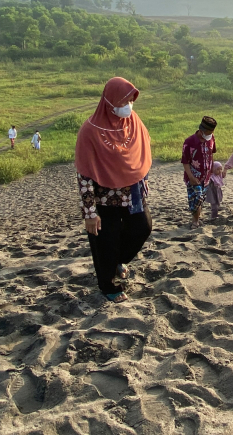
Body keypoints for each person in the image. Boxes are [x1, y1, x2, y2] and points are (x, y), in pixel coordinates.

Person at [74, 77, 153, 303]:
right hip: (105, 198)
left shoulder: (133, 121)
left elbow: (142, 150)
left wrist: (142, 182)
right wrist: (90, 213)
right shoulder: (90, 131)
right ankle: (107, 285)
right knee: (105, 241)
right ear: (110, 102)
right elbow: (85, 174)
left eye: (131, 100)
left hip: (133, 195)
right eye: (124, 100)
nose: (128, 105)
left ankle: (119, 261)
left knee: (143, 228)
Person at [181, 116, 218, 228]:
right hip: (194, 176)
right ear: (202, 131)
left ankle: (196, 217)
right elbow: (185, 162)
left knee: (200, 199)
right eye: (208, 132)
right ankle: (195, 221)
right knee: (196, 197)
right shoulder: (189, 142)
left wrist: (213, 170)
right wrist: (191, 177)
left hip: (206, 176)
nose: (209, 134)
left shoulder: (211, 139)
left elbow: (212, 154)